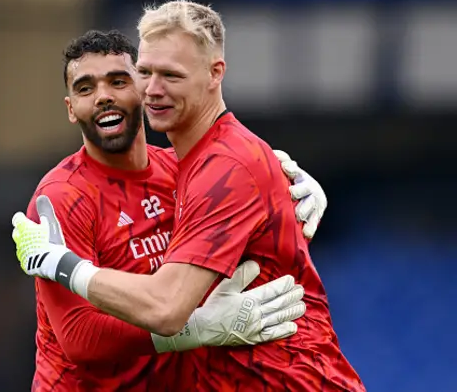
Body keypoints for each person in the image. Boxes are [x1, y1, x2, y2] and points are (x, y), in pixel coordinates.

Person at [18, 28, 330, 391]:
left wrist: (286, 184)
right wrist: (192, 328)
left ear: (145, 91)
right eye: (86, 88)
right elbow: (78, 336)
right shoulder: (60, 198)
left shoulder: (186, 172)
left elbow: (247, 193)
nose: (103, 96)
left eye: (118, 81)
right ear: (72, 109)